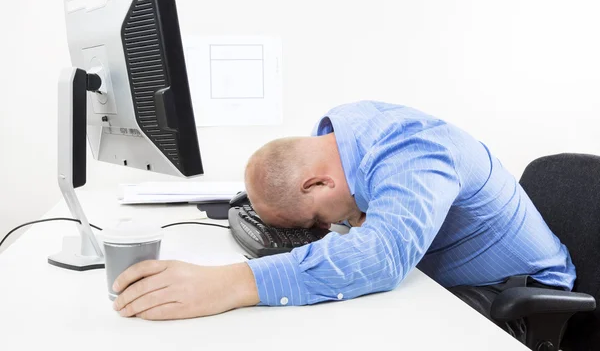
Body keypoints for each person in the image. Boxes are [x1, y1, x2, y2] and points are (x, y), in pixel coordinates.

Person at [111, 100, 575, 342]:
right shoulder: (343, 133)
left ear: (317, 185)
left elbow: (380, 257)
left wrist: (229, 284)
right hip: (440, 273)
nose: (321, 228)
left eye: (314, 220)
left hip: (515, 298)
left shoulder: (417, 151)